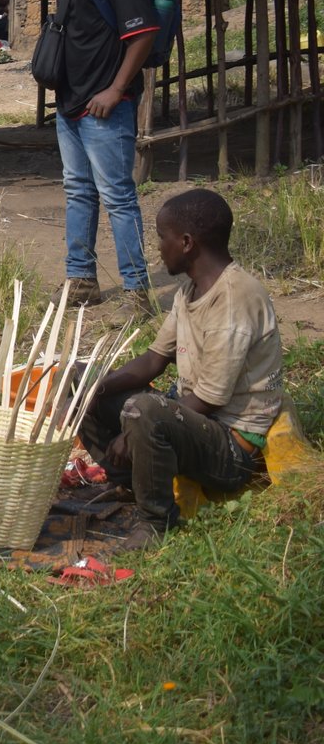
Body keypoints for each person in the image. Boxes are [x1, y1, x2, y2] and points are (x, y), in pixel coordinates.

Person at [78, 189, 283, 550]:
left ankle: (156, 521)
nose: (158, 247)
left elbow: (209, 399)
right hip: (194, 423)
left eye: (162, 237)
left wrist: (133, 429)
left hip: (230, 449)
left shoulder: (234, 299)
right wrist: (91, 393)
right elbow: (153, 360)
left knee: (144, 411)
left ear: (187, 243)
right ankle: (132, 481)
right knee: (79, 382)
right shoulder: (189, 290)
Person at [31, 0, 158, 313]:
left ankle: (137, 292)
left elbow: (143, 33)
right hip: (71, 105)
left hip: (105, 108)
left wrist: (116, 89)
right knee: (79, 191)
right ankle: (82, 280)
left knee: (118, 195)